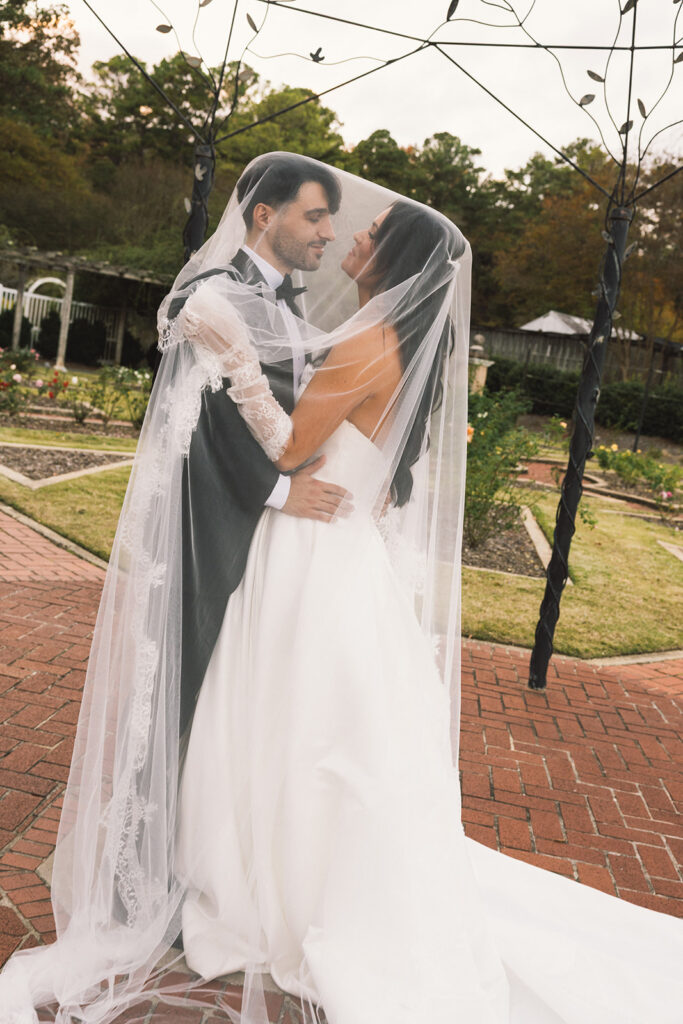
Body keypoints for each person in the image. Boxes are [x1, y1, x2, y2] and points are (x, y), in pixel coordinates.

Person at [1, 154, 682, 1024]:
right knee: (321, 726)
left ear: (389, 261)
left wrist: (238, 360)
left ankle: (269, 886)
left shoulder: (363, 339)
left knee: (289, 716)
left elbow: (286, 448)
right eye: (331, 220)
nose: (348, 234)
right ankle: (294, 876)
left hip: (312, 556)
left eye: (363, 232)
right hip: (339, 551)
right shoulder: (380, 336)